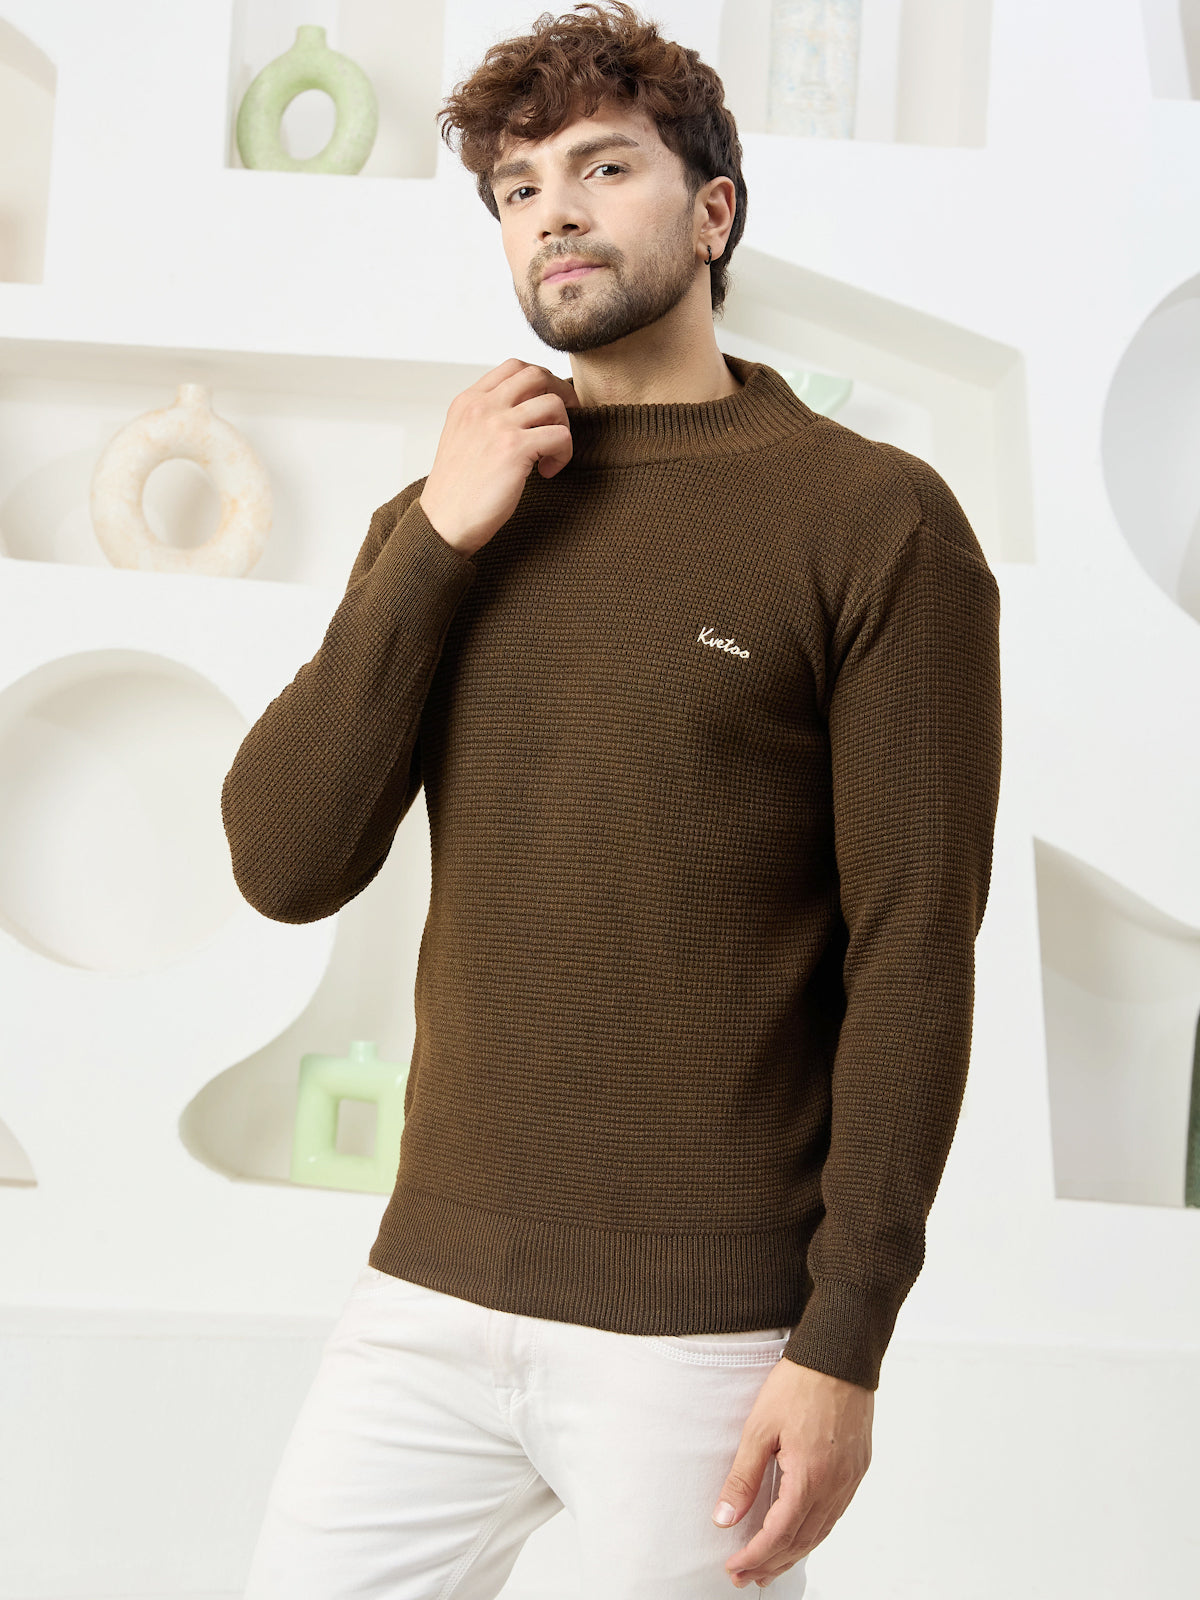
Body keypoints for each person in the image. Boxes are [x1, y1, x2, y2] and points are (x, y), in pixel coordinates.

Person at [223, 4, 1003, 1597]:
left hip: (704, 1340)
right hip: (428, 1298)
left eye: (602, 167)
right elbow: (284, 862)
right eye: (517, 188)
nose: (554, 211)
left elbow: (916, 954)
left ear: (712, 212)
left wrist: (843, 1341)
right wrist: (438, 540)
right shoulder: (450, 510)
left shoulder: (874, 521)